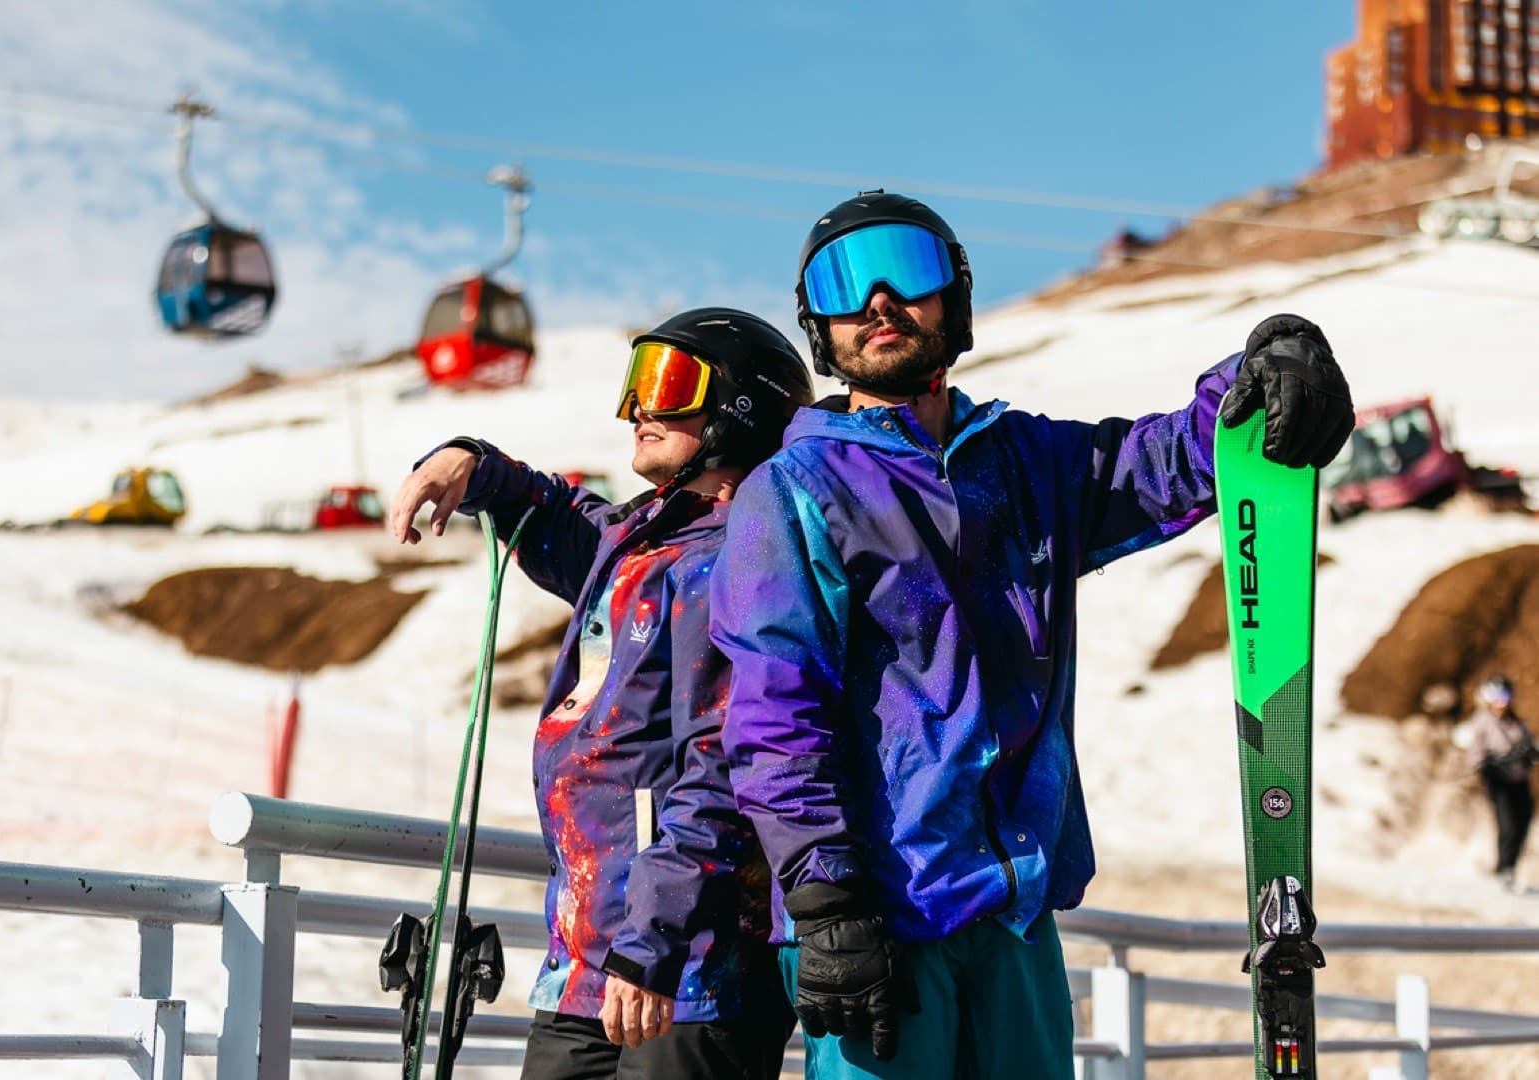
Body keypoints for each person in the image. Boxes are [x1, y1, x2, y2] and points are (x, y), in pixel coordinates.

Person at [707, 191, 1356, 1079]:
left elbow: (1171, 460)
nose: (880, 300)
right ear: (818, 323)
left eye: (910, 267)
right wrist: (825, 900)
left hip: (1011, 910)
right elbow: (774, 712)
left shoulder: (1024, 461)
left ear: (957, 294)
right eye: (843, 282)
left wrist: (1275, 357)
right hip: (879, 918)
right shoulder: (793, 492)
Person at [387, 308, 812, 1079]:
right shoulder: (644, 541)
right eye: (636, 382)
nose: (641, 407)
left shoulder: (743, 564)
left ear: (741, 410)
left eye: (669, 382)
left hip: (688, 970)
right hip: (590, 960)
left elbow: (725, 770)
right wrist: (469, 462)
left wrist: (655, 945)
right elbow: (552, 514)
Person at [1463, 674, 1537, 889]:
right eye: (1498, 697)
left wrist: (1530, 754)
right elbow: (1474, 753)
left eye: (1506, 696)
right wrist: (1486, 766)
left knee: (1523, 821)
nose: (1503, 703)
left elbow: (1529, 746)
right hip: (1499, 781)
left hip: (1519, 780)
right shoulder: (1483, 722)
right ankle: (1503, 869)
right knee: (1508, 824)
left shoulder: (1517, 723)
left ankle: (1510, 868)